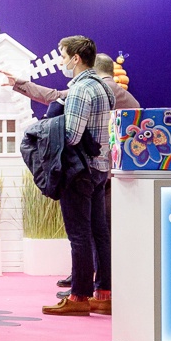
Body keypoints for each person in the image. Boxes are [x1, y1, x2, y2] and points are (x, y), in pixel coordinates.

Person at [41, 36, 115, 317]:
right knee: (99, 232)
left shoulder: (80, 90)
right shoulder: (103, 87)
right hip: (100, 168)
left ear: (76, 58)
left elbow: (71, 136)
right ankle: (103, 293)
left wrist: (50, 125)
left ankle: (79, 296)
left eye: (63, 56)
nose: (61, 62)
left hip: (79, 170)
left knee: (79, 235)